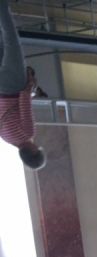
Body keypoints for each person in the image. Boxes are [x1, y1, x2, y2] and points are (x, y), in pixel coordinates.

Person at [0, 0, 45, 169]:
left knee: (11, 40)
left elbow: (24, 100)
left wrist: (30, 81)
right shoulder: (7, 138)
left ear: (33, 151)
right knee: (2, 41)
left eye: (38, 149)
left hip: (14, 85)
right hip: (2, 90)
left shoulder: (28, 133)